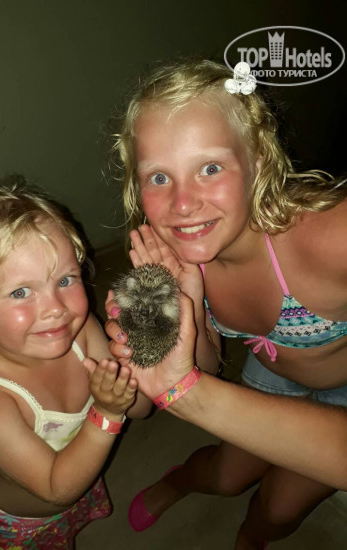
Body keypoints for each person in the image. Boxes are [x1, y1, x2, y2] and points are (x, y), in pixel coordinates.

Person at [102, 59, 347, 549]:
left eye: (210, 168)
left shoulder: (331, 238)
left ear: (258, 160)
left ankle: (252, 538)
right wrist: (187, 310)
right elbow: (206, 366)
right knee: (225, 475)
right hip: (271, 373)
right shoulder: (176, 253)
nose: (182, 204)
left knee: (278, 507)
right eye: (158, 177)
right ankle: (180, 480)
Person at [0, 176, 152, 549]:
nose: (55, 309)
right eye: (21, 292)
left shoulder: (81, 328)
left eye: (65, 280)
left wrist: (139, 349)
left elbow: (140, 408)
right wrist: (107, 411)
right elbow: (57, 489)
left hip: (82, 470)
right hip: (19, 524)